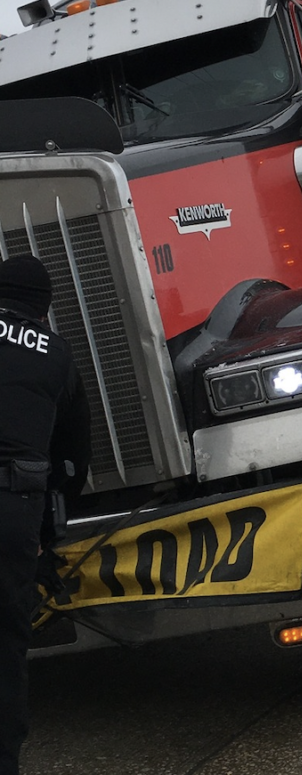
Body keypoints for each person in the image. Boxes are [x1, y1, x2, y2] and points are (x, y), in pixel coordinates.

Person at [0, 255, 90, 775]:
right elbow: (73, 446)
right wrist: (47, 526)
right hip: (13, 510)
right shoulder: (54, 353)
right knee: (6, 644)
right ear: (43, 307)